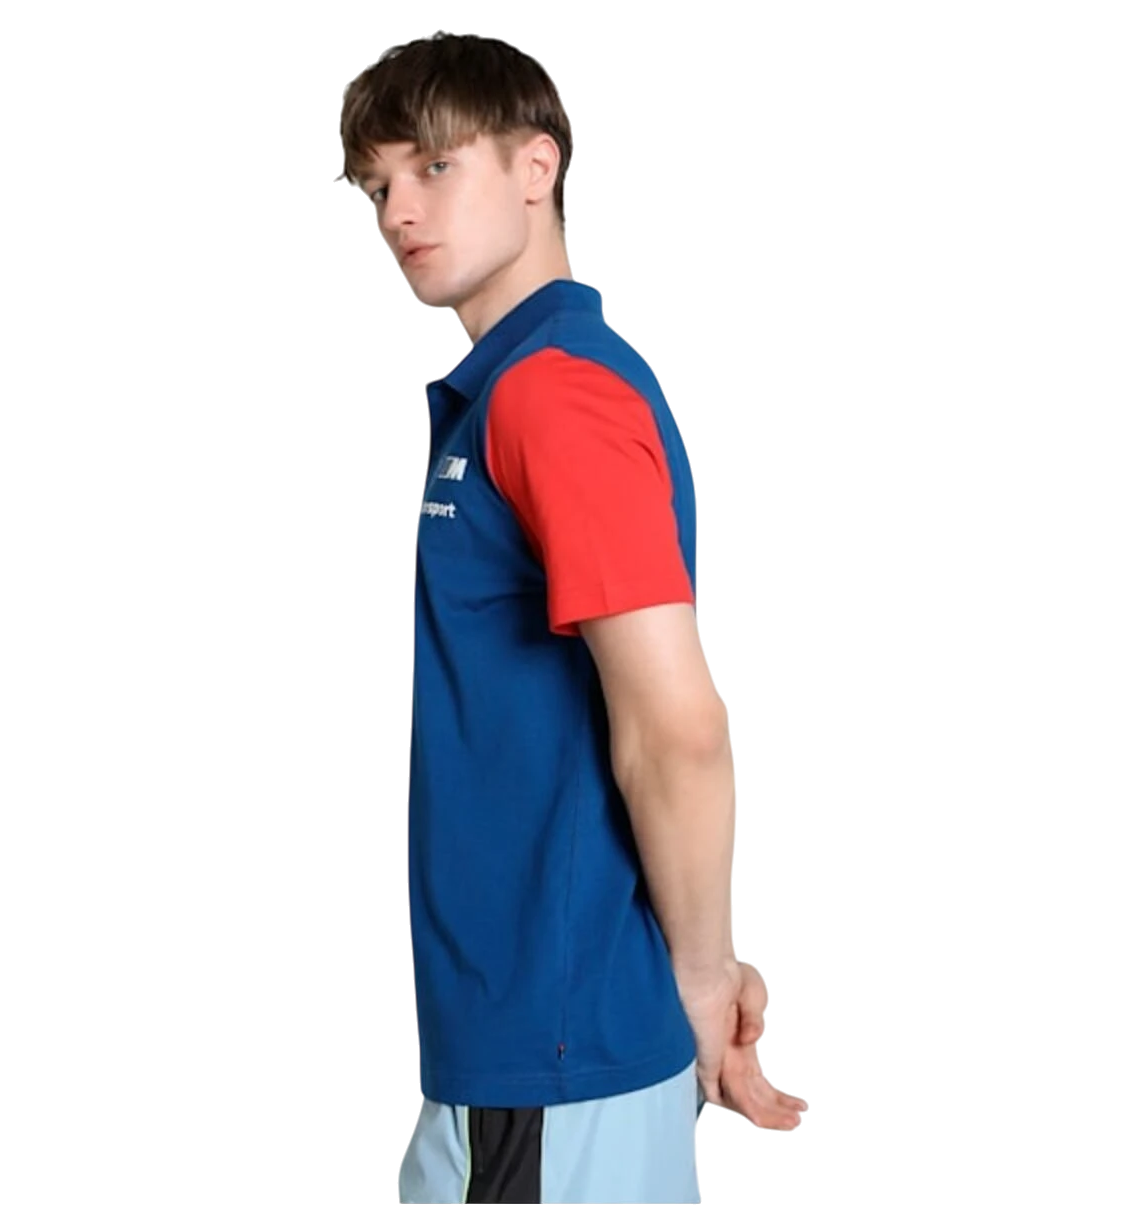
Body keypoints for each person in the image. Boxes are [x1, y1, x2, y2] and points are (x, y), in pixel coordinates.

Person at [341, 33, 807, 1205]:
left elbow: (678, 725)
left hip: (553, 1055)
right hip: (513, 1046)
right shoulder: (507, 392)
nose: (399, 210)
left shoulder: (550, 395)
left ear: (535, 167)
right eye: (377, 186)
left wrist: (702, 979)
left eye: (434, 166)